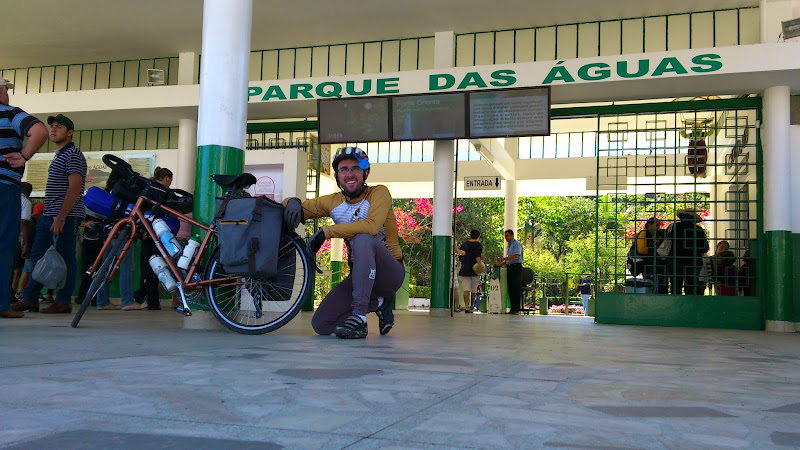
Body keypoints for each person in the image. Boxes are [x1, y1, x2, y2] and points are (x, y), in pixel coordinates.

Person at [282, 146, 405, 339]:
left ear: (366, 173)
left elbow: (372, 227)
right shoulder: (332, 202)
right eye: (344, 169)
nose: (350, 174)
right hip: (361, 275)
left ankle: (359, 317)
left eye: (355, 168)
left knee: (363, 238)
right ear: (337, 175)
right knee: (321, 325)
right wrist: (291, 201)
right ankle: (381, 303)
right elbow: (298, 209)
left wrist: (327, 232)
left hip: (390, 273)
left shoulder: (379, 193)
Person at [15, 114, 87, 314]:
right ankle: (30, 298)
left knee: (65, 258)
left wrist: (61, 216)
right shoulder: (60, 155)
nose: (53, 130)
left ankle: (63, 300)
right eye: (52, 127)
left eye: (59, 127)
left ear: (70, 132)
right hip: (49, 214)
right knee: (37, 256)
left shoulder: (73, 155)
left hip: (65, 216)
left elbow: (74, 188)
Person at [0, 78, 48, 318]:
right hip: (3, 186)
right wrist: (24, 155)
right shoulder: (10, 114)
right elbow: (39, 130)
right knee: (3, 243)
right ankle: (1, 304)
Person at [133, 166, 174, 310]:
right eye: (170, 180)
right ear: (167, 178)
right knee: (153, 268)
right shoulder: (162, 194)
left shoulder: (149, 190)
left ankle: (149, 300)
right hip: (155, 233)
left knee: (147, 267)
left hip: (145, 232)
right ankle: (150, 300)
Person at [667, 209, 709, 295]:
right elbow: (704, 247)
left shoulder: (673, 227)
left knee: (675, 285)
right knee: (691, 285)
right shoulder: (698, 230)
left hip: (675, 260)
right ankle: (690, 305)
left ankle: (675, 304)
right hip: (693, 261)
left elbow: (666, 243)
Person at [10, 182, 33, 300]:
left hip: (6, 236)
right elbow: (25, 223)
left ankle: (10, 293)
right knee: (17, 267)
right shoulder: (25, 202)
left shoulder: (9, 198)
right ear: (29, 192)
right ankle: (11, 293)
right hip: (17, 238)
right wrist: (26, 242)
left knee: (12, 267)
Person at [635, 217, 667, 293]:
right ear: (649, 225)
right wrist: (655, 249)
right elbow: (641, 249)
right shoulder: (644, 233)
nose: (658, 228)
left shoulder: (659, 234)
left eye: (659, 226)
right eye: (656, 225)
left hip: (657, 264)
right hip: (647, 265)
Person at [455, 229, 483, 313]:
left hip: (465, 268)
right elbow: (478, 257)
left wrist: (464, 262)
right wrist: (480, 265)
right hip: (475, 270)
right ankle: (472, 306)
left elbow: (460, 256)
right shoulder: (478, 245)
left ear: (470, 235)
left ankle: (466, 305)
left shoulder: (464, 244)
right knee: (474, 289)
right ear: (478, 236)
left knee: (466, 289)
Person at [496, 229, 524, 314]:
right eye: (505, 236)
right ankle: (513, 308)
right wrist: (500, 264)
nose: (506, 238)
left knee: (515, 288)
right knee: (510, 288)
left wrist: (503, 258)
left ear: (512, 235)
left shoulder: (516, 244)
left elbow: (515, 257)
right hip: (510, 267)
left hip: (516, 268)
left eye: (507, 236)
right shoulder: (509, 245)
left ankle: (516, 308)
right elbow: (509, 260)